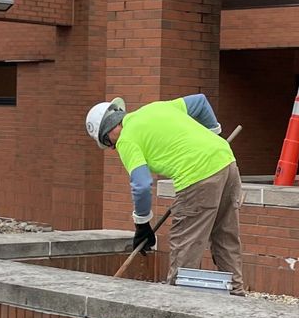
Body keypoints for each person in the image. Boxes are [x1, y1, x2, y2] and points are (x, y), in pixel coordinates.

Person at [84, 93, 244, 294]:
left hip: (197, 176)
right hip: (226, 162)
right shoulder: (156, 108)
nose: (113, 148)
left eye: (109, 145)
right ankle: (236, 293)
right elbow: (201, 102)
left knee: (186, 241)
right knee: (225, 234)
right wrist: (214, 135)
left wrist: (142, 225)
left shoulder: (126, 139)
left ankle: (177, 303)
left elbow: (141, 185)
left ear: (108, 134)